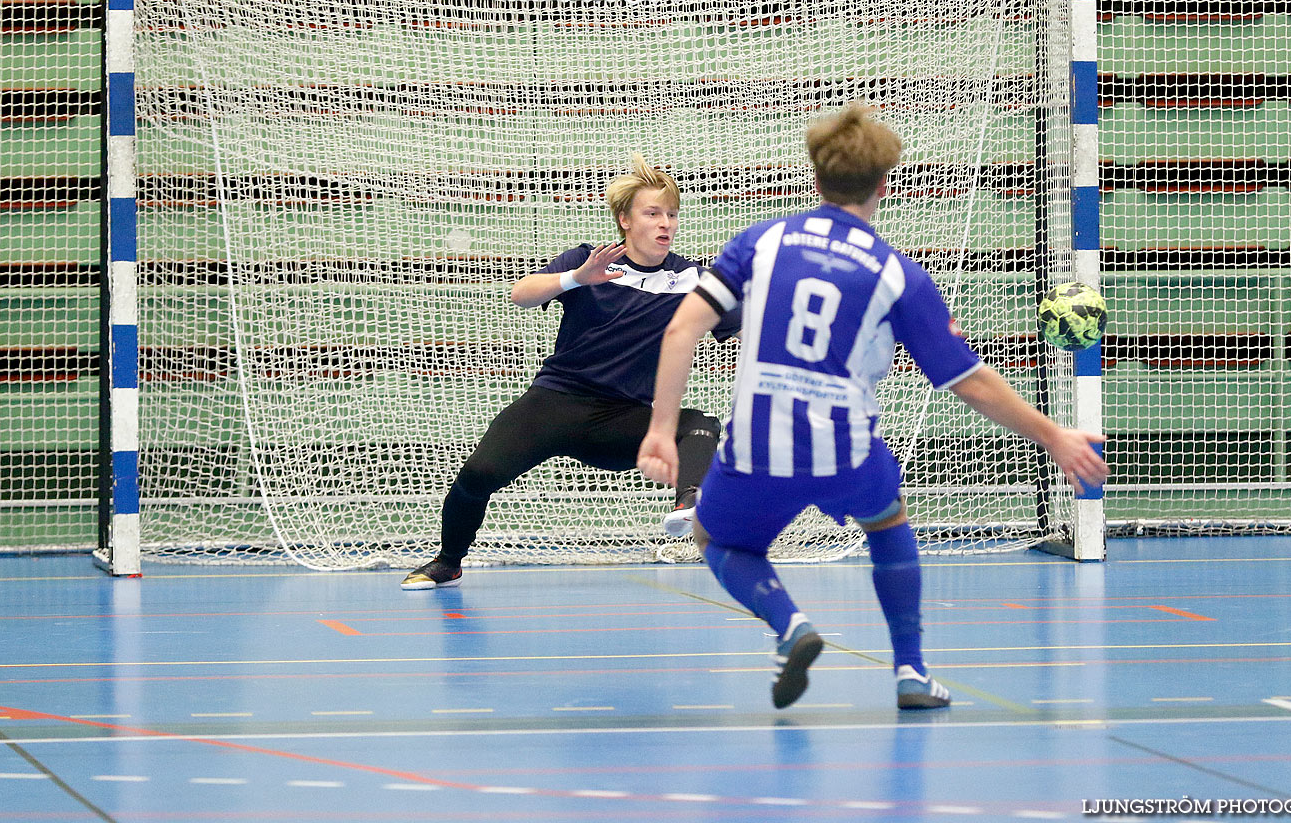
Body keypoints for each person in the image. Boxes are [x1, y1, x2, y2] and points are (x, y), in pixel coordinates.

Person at [636, 102, 1110, 709]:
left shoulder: (762, 241)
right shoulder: (898, 275)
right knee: (886, 522)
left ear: (814, 179)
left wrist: (661, 427)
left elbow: (682, 331)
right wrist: (1055, 436)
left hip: (758, 441)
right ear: (884, 186)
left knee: (714, 538)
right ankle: (910, 670)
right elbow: (969, 380)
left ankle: (790, 624)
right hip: (844, 446)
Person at [401, 155, 742, 589]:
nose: (666, 224)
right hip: (553, 403)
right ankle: (448, 561)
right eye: (652, 213)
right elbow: (520, 294)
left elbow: (742, 331)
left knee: (699, 424)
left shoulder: (691, 278)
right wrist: (575, 279)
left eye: (672, 214)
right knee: (477, 476)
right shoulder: (588, 260)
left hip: (622, 420)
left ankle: (689, 501)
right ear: (625, 220)